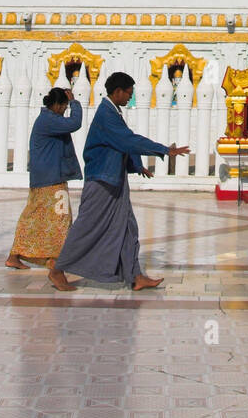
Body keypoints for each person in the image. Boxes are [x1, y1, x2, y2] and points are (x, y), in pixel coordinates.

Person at [48, 70, 188, 293]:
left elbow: (123, 141)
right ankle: (58, 268)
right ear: (118, 92)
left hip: (114, 179)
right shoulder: (106, 114)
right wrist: (164, 150)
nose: (130, 98)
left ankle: (135, 276)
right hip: (102, 180)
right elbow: (127, 139)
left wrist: (136, 165)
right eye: (129, 93)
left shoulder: (113, 112)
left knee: (127, 227)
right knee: (87, 227)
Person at [5, 86, 82, 270]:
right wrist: (75, 102)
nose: (65, 111)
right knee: (62, 217)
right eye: (63, 107)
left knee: (35, 216)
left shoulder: (48, 119)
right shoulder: (49, 120)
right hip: (51, 179)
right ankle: (55, 259)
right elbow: (75, 123)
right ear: (56, 105)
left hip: (45, 177)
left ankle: (17, 255)